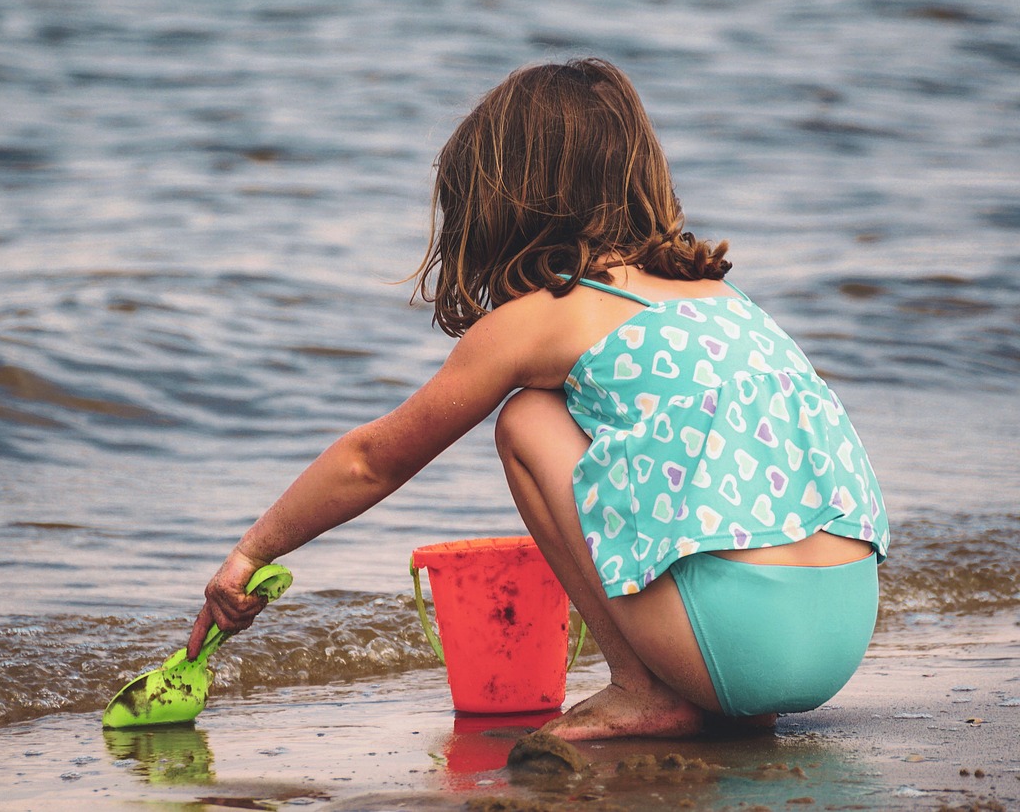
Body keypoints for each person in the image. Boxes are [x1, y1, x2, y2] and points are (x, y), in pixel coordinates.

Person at [187, 57, 890, 739]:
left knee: (526, 418)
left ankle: (643, 690)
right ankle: (729, 698)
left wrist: (252, 552)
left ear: (505, 201)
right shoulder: (725, 299)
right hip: (841, 629)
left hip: (739, 645)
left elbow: (374, 460)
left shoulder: (547, 316)